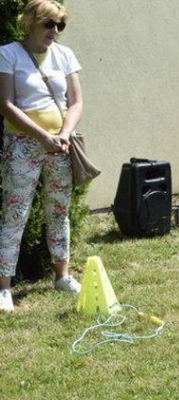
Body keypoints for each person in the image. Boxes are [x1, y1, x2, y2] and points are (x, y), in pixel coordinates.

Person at [0, 0, 84, 312]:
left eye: (60, 25)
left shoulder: (65, 55)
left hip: (60, 145)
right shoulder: (8, 53)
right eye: (49, 24)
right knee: (15, 214)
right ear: (31, 22)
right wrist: (43, 136)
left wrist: (62, 135)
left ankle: (62, 276)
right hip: (22, 144)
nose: (55, 31)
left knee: (59, 211)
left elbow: (75, 102)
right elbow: (6, 105)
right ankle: (4, 288)